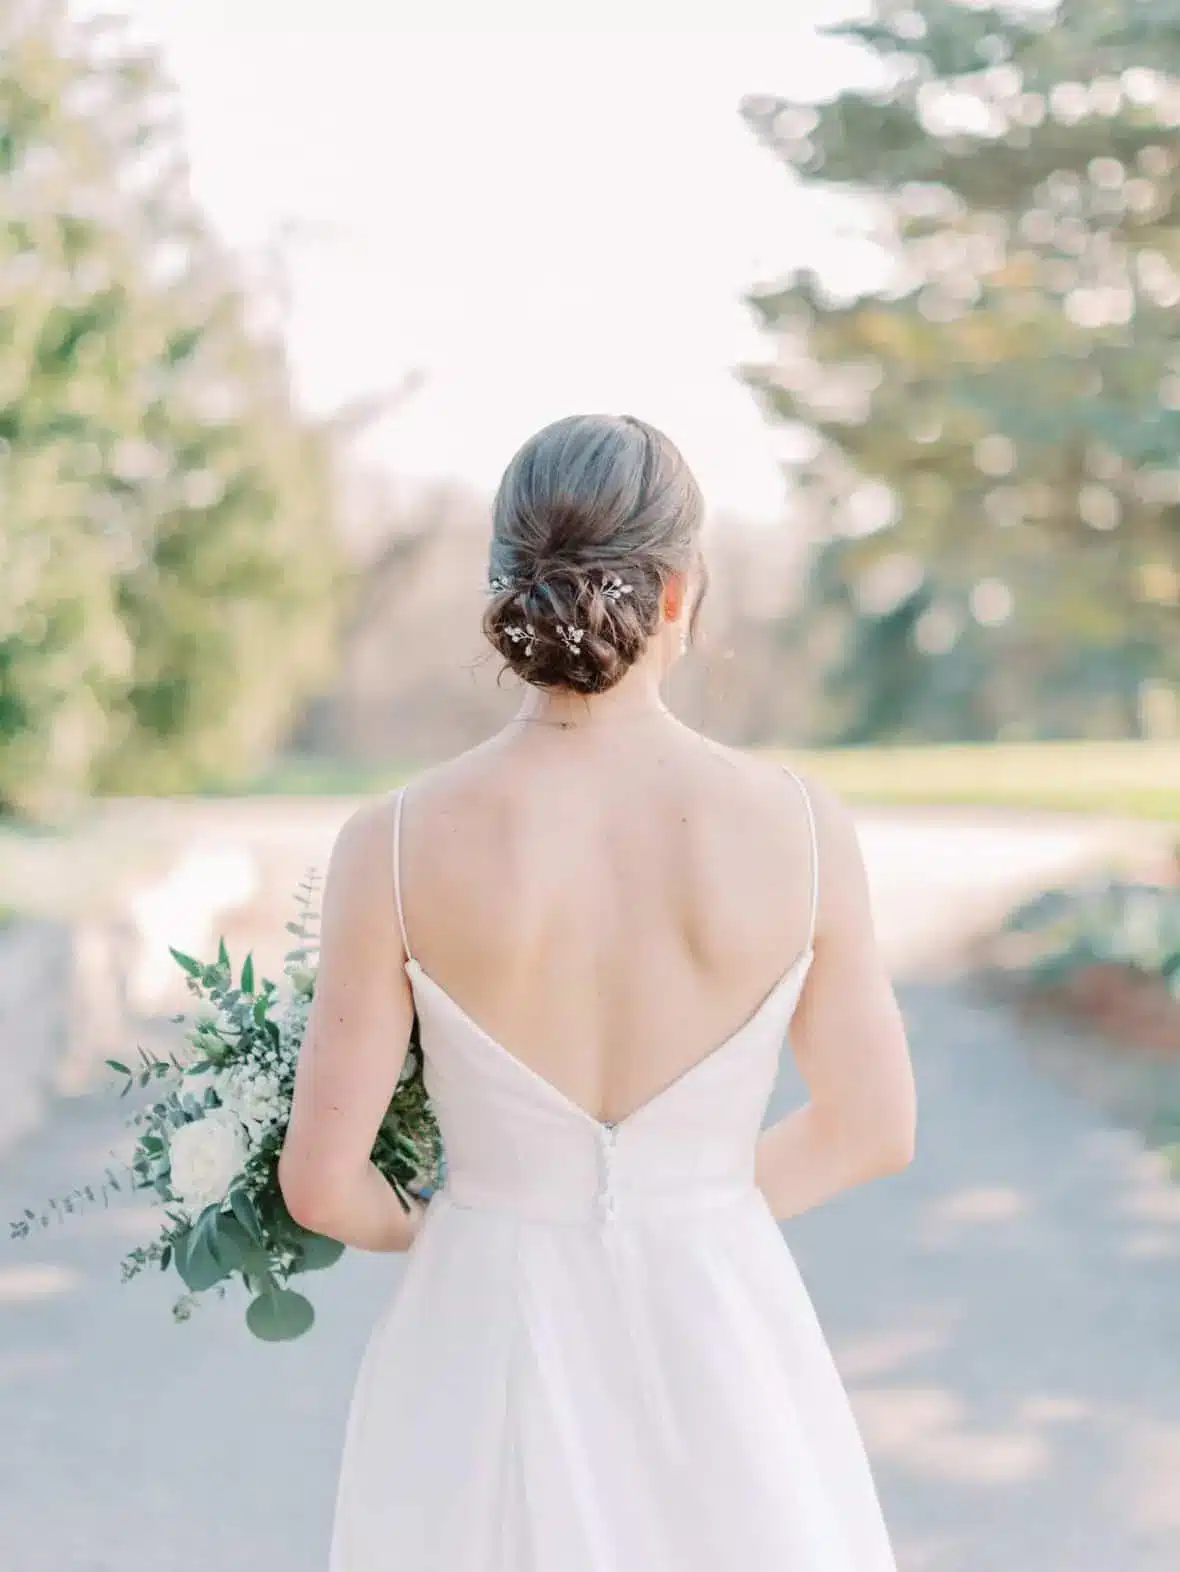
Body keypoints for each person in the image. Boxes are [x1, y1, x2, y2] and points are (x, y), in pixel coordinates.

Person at [278, 413, 916, 1571]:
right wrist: (694, 1206)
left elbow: (322, 1186)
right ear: (678, 591)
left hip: (482, 1328)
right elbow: (872, 1128)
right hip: (718, 1319)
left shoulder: (397, 840)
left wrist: (450, 1228)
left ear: (503, 589)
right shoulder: (801, 829)